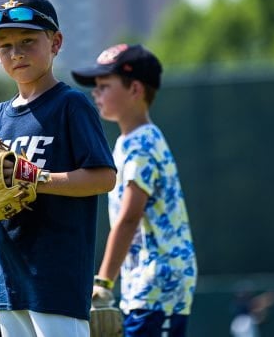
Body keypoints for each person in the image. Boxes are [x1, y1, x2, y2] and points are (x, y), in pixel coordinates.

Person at [0, 0, 116, 337]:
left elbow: (104, 177)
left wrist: (33, 177)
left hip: (56, 277)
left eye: (28, 41)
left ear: (56, 42)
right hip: (11, 280)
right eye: (5, 45)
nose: (16, 53)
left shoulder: (70, 105)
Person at [71, 43, 198, 337]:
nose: (95, 93)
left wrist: (103, 281)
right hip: (148, 283)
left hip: (159, 283)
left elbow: (129, 217)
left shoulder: (140, 143)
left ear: (135, 89)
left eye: (104, 86)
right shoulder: (131, 141)